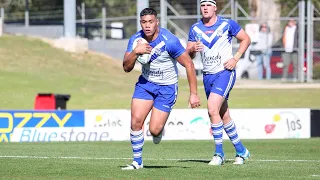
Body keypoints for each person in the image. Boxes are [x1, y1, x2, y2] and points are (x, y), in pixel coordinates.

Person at [122, 7, 201, 170]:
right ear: (140, 23)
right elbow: (126, 67)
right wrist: (135, 52)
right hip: (145, 85)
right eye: (144, 22)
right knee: (136, 121)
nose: (147, 26)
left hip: (167, 88)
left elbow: (189, 64)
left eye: (151, 22)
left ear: (157, 22)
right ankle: (137, 162)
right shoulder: (136, 40)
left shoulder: (169, 41)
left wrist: (194, 94)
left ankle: (158, 131)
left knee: (154, 129)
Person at [187, 0, 251, 165]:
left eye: (209, 5)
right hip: (207, 76)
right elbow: (189, 55)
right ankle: (242, 151)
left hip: (225, 72)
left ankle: (219, 154)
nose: (205, 8)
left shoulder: (227, 24)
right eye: (203, 5)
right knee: (223, 114)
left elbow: (246, 39)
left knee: (212, 108)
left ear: (215, 7)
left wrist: (235, 58)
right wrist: (193, 49)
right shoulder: (194, 29)